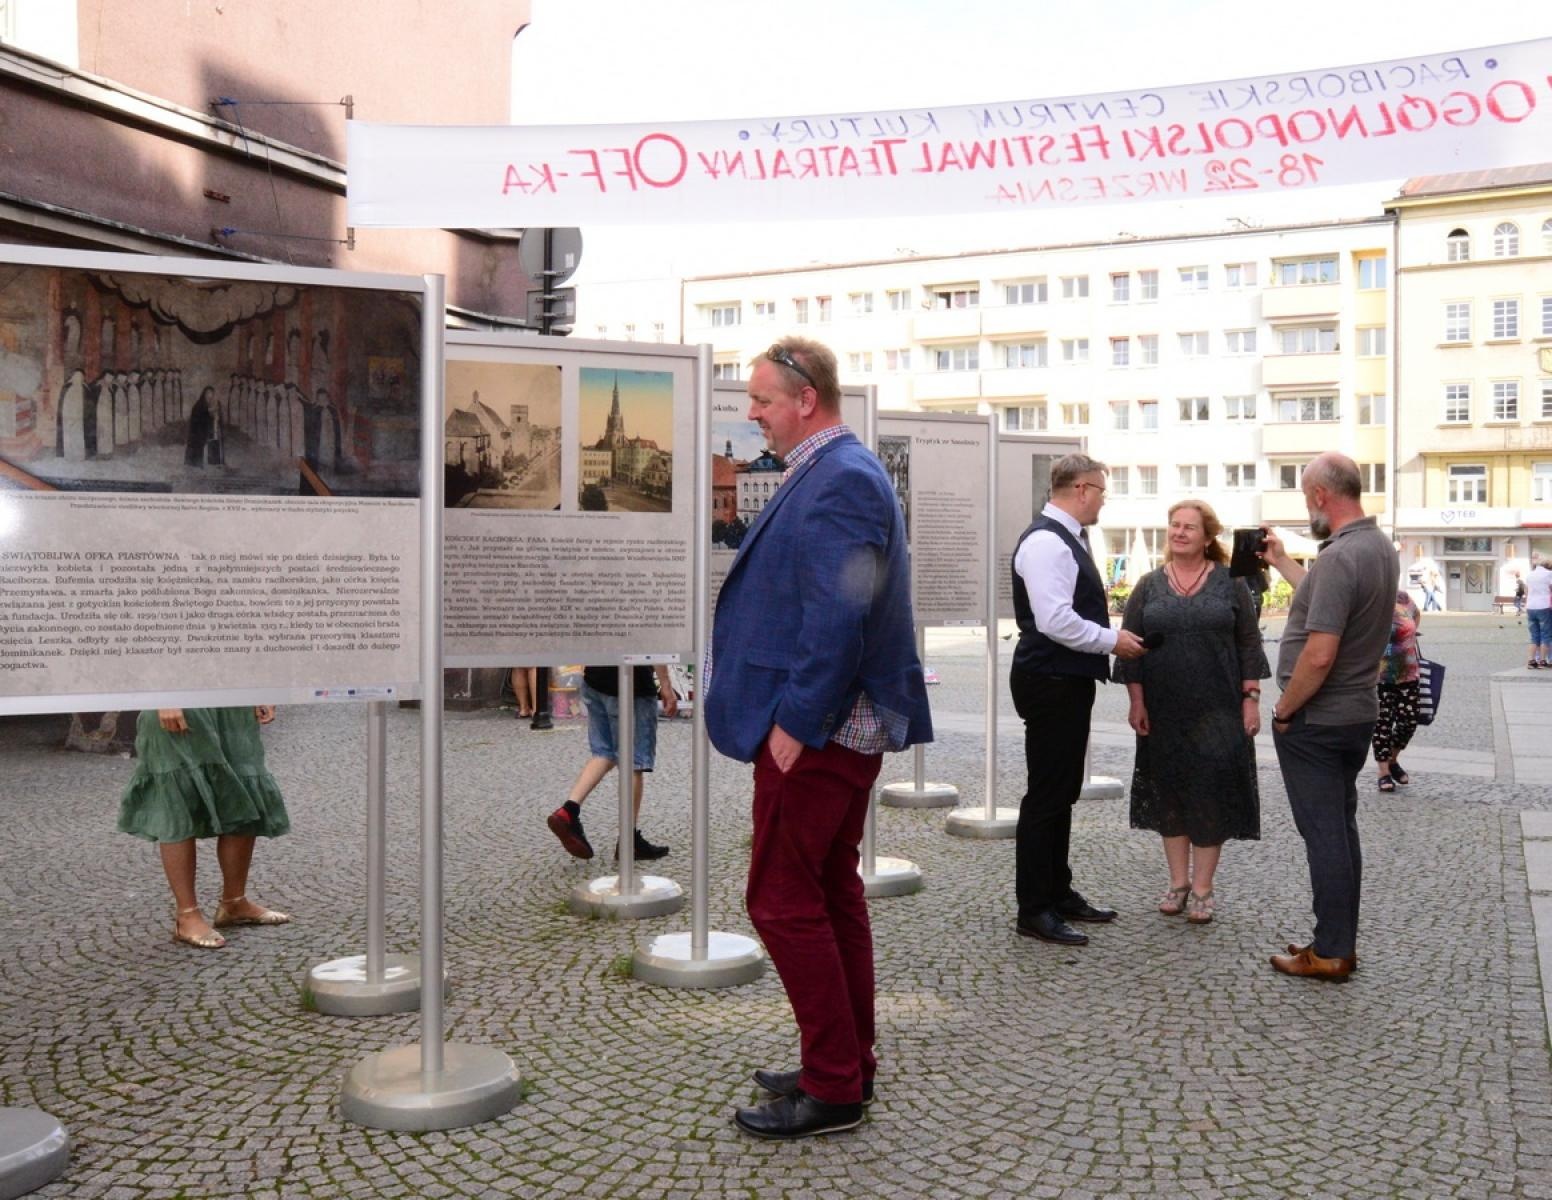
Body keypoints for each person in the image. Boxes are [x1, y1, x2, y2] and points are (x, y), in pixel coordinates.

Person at [706, 337, 931, 1140]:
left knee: (779, 899)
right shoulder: (835, 470)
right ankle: (845, 1059)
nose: (752, 412)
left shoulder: (840, 478)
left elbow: (840, 614)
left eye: (762, 399)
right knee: (830, 891)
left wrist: (797, 723)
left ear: (807, 398)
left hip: (819, 730)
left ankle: (834, 1086)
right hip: (829, 727)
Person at [1261, 453, 1399, 982]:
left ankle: (1333, 951)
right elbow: (1325, 602)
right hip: (1352, 715)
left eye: (1304, 496)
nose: (1307, 506)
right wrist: (1281, 562)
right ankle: (1334, 939)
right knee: (1339, 832)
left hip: (1317, 720)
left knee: (1324, 836)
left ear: (1321, 495)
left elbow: (1320, 653)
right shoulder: (1374, 546)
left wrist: (1285, 709)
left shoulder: (1342, 556)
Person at [1010, 453, 1146, 947]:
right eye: (1103, 492)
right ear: (1082, 489)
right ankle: (1034, 908)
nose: (1104, 501)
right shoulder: (1048, 541)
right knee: (1047, 794)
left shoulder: (1063, 537)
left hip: (1063, 678)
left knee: (1062, 790)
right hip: (1050, 679)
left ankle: (1058, 891)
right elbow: (1055, 621)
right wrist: (1114, 640)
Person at [1115, 499, 1267, 924]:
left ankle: (1202, 889)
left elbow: (1249, 644)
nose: (1179, 532)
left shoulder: (1230, 583)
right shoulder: (1147, 585)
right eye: (1174, 525)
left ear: (1207, 536)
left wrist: (1250, 699)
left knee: (1210, 796)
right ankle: (1177, 883)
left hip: (1219, 709)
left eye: (1189, 527)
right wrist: (1137, 701)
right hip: (1164, 710)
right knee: (1170, 795)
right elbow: (1131, 648)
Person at [117, 706, 292, 949]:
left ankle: (234, 903)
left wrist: (260, 689)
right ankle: (187, 916)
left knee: (244, 786)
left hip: (230, 699)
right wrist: (164, 697)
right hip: (177, 696)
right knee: (178, 798)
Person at [546, 663, 677, 861]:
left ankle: (567, 812)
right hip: (632, 686)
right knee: (635, 762)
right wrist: (666, 685)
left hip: (595, 681)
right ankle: (628, 842)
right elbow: (654, 645)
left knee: (604, 753)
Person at [1373, 590, 1422, 792]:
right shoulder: (1371, 598)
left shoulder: (1402, 597)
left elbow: (1416, 614)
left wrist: (1410, 635)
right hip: (1380, 675)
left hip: (1409, 672)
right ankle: (1383, 772)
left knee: (1408, 721)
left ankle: (1393, 759)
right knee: (1383, 723)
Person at [1526, 553, 1552, 669]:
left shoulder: (1530, 575)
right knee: (1545, 634)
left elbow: (1527, 592)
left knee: (1534, 635)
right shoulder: (1549, 574)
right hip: (1544, 606)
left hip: (1531, 607)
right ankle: (1542, 660)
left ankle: (1531, 660)